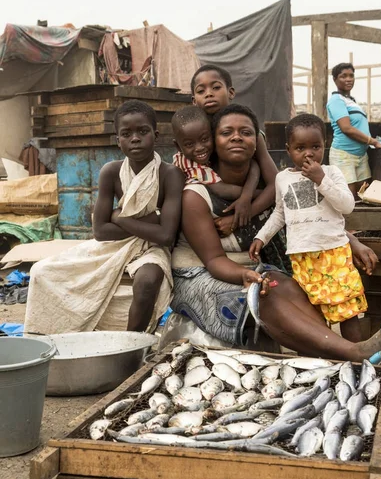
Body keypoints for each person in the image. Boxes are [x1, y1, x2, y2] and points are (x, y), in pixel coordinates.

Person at [171, 103, 381, 362]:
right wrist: (246, 274)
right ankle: (355, 353)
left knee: (290, 287)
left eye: (245, 132)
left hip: (252, 267)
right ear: (213, 141)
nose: (237, 137)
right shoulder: (195, 195)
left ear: (256, 142)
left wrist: (352, 240)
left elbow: (307, 217)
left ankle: (332, 356)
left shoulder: (276, 182)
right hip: (202, 272)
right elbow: (213, 261)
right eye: (226, 133)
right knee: (266, 295)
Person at [25, 100, 185, 334]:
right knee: (41, 271)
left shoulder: (169, 174)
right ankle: (54, 337)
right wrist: (152, 220)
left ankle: (131, 344)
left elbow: (166, 235)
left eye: (143, 131)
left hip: (152, 248)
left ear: (156, 135)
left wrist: (120, 219)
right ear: (117, 140)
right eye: (126, 134)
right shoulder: (111, 172)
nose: (135, 139)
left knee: (148, 281)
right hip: (114, 245)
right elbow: (100, 231)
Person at [249, 113, 367, 343]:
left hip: (334, 253)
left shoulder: (332, 173)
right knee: (313, 314)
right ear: (288, 149)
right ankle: (327, 357)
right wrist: (261, 237)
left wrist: (321, 180)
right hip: (302, 258)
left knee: (346, 311)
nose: (308, 153)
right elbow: (280, 214)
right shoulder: (283, 179)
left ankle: (357, 357)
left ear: (326, 145)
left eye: (315, 146)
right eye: (300, 148)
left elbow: (347, 206)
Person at [191, 64, 279, 236]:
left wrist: (246, 204)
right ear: (194, 100)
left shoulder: (249, 131)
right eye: (201, 91)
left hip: (255, 210)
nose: (209, 93)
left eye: (216, 87)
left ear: (231, 92)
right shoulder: (195, 137)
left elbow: (275, 184)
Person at [171, 105, 260, 229]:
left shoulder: (204, 154)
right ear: (178, 146)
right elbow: (221, 189)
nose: (199, 147)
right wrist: (251, 195)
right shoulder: (191, 165)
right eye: (190, 144)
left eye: (204, 139)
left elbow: (254, 165)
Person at [327, 62, 381, 199]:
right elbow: (346, 128)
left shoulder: (352, 102)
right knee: (349, 199)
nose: (348, 79)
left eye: (351, 76)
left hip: (361, 156)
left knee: (364, 196)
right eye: (343, 76)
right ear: (335, 79)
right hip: (344, 156)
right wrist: (373, 141)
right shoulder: (336, 100)